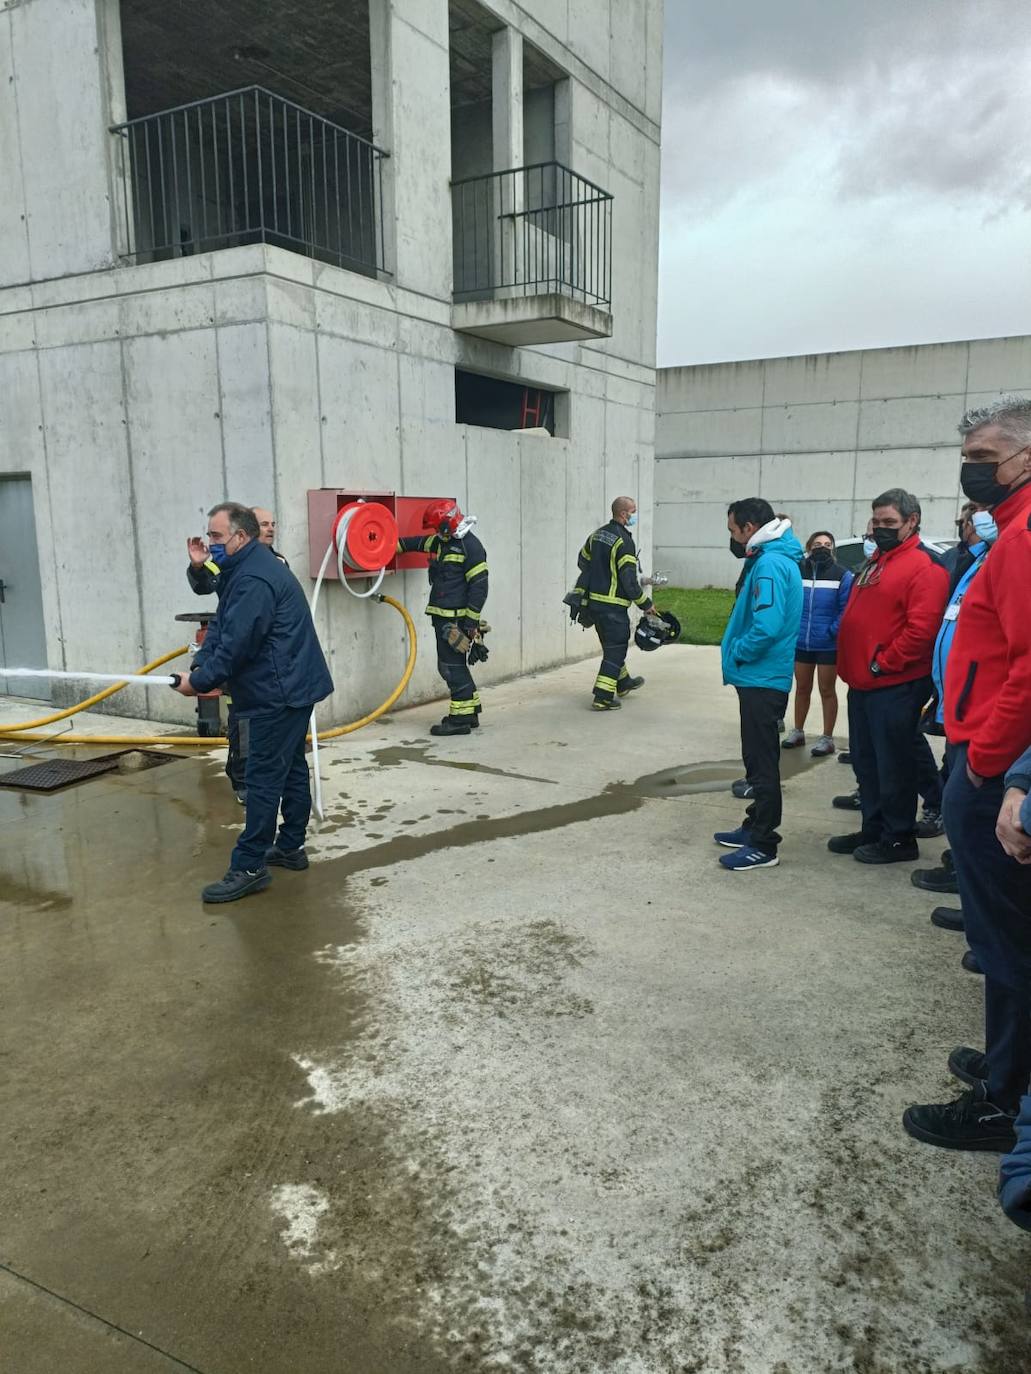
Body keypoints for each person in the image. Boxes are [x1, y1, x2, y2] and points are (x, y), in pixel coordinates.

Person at [903, 397, 1031, 1152]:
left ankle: (1000, 1101)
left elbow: (1025, 667)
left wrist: (983, 764)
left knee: (1006, 944)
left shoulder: (1020, 540)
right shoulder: (1009, 533)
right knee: (1003, 939)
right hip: (988, 757)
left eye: (984, 458)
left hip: (991, 765)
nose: (971, 472)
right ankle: (1006, 1063)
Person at [174, 503, 333, 904]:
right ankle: (291, 847)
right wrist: (201, 663)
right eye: (209, 535)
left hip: (277, 693)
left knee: (262, 777)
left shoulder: (254, 579)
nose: (210, 543)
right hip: (291, 685)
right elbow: (224, 621)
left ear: (239, 536)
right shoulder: (243, 569)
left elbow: (237, 644)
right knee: (292, 766)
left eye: (215, 536)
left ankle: (248, 867)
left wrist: (201, 681)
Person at [830, 489, 949, 864]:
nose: (880, 529)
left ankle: (899, 837)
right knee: (867, 762)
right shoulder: (877, 562)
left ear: (911, 522)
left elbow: (921, 631)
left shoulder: (923, 568)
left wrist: (883, 662)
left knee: (893, 765)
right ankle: (874, 827)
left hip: (892, 684)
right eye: (876, 522)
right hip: (863, 684)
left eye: (889, 523)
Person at [913, 504, 999, 935]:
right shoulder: (980, 560)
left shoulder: (1002, 559)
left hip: (985, 715)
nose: (974, 523)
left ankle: (987, 923)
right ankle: (973, 899)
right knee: (962, 809)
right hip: (958, 710)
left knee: (977, 816)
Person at [714, 499, 803, 871]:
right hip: (761, 676)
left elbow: (766, 626)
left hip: (761, 677)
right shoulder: (773, 559)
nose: (732, 537)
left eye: (733, 530)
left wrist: (738, 651)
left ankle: (764, 843)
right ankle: (754, 825)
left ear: (749, 527)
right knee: (755, 758)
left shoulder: (768, 564)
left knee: (763, 763)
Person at [187, 506, 288, 803]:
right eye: (264, 524)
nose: (270, 529)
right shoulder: (229, 562)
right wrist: (197, 567)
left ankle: (264, 783)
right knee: (242, 727)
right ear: (245, 532)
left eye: (273, 524)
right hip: (240, 658)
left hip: (263, 661)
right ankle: (243, 781)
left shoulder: (276, 563)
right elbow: (206, 586)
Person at [397, 500, 489, 738]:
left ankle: (459, 720)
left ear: (448, 524)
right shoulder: (441, 542)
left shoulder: (471, 547)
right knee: (455, 666)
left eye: (439, 528)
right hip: (444, 618)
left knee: (450, 668)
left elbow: (479, 586)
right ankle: (469, 712)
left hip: (455, 621)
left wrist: (470, 622)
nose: (436, 533)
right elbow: (416, 543)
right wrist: (390, 546)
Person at [574, 497, 657, 712]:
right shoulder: (624, 541)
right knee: (616, 649)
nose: (635, 515)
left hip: (593, 604)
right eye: (633, 511)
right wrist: (646, 604)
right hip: (613, 606)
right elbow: (629, 581)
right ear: (623, 514)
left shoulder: (596, 535)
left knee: (612, 646)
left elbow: (582, 561)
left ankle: (623, 682)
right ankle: (602, 697)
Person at [781, 531, 853, 757]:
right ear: (809, 546)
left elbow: (845, 610)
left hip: (827, 645)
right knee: (801, 688)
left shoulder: (842, 575)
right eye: (818, 543)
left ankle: (827, 738)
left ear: (833, 549)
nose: (822, 547)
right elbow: (788, 602)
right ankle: (798, 731)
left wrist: (831, 632)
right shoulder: (797, 571)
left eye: (827, 544)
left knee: (826, 690)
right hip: (801, 642)